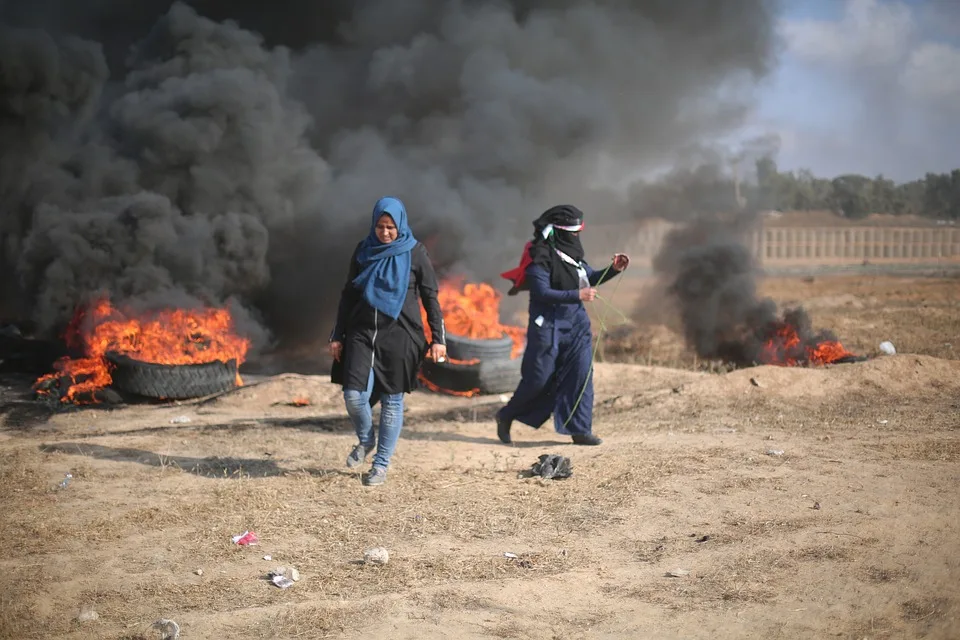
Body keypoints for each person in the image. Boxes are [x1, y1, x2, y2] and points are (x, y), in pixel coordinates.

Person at [329, 196, 447, 486]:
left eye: (390, 227)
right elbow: (348, 295)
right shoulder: (364, 250)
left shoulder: (415, 252)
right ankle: (366, 439)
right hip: (362, 332)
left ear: (400, 225)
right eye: (380, 226)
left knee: (392, 402)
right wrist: (337, 334)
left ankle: (380, 465)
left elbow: (430, 297)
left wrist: (438, 339)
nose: (385, 233)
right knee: (353, 396)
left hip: (401, 335)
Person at [497, 204, 630, 446]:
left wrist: (613, 269)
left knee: (581, 375)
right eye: (573, 233)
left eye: (578, 233)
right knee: (538, 379)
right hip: (547, 327)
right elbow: (542, 291)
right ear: (559, 232)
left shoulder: (573, 257)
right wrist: (576, 296)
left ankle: (580, 430)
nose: (576, 237)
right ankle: (506, 415)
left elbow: (589, 278)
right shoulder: (539, 258)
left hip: (576, 325)